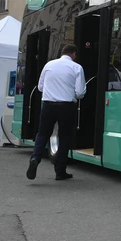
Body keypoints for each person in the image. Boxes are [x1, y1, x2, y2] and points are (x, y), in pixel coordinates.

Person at [27, 45, 86, 181]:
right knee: (64, 137)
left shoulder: (49, 65)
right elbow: (80, 92)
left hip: (48, 105)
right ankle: (60, 172)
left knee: (42, 133)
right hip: (66, 106)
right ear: (74, 54)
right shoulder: (77, 68)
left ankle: (35, 158)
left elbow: (40, 87)